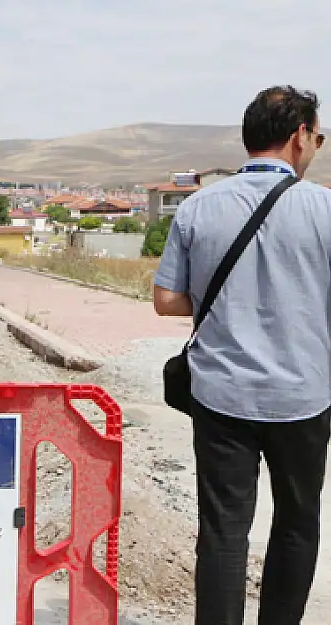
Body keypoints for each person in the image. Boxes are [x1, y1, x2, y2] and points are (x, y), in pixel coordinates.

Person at [153, 85, 331, 625]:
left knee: (225, 530)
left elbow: (165, 301)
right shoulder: (325, 208)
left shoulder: (197, 208)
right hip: (304, 396)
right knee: (298, 523)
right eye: (318, 137)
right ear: (299, 137)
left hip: (221, 393)